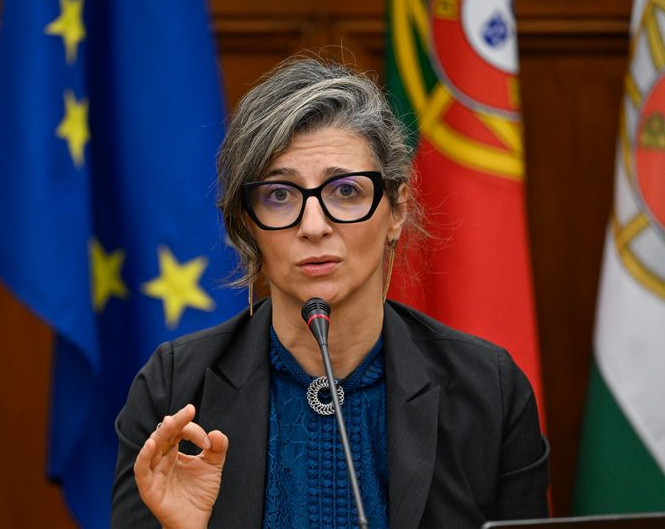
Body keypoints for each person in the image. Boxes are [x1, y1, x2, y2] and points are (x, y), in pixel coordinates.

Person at [110, 57, 549, 529]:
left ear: (396, 209)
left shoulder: (487, 389)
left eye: (346, 191)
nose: (314, 226)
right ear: (246, 223)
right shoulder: (174, 388)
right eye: (279, 195)